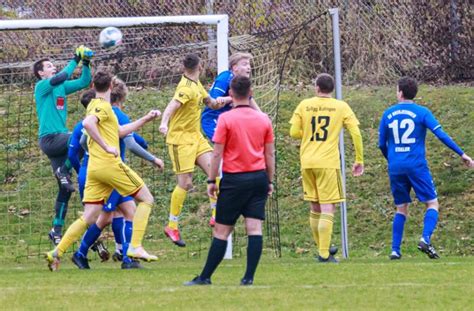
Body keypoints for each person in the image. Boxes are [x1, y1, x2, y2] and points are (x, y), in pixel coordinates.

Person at [45, 71, 161, 271]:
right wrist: (107, 147)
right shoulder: (105, 107)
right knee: (146, 199)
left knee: (89, 216)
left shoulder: (92, 105)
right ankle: (135, 247)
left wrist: (146, 118)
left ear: (93, 86)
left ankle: (57, 252)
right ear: (110, 88)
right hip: (109, 165)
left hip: (93, 170)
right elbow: (90, 125)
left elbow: (119, 132)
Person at [185, 76, 275, 286]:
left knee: (221, 230)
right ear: (250, 92)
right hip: (258, 178)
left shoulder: (226, 119)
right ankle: (248, 278)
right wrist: (269, 181)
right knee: (254, 228)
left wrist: (211, 180)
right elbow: (269, 155)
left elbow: (217, 154)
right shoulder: (263, 119)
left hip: (234, 180)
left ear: (231, 94)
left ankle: (205, 277)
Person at [378, 77, 473, 260]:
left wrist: (391, 159)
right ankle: (425, 238)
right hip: (416, 165)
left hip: (396, 166)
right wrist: (462, 154)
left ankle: (395, 250)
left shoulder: (387, 113)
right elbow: (440, 134)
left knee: (401, 208)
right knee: (432, 203)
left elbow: (382, 143)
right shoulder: (422, 112)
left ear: (400, 92)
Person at [289, 73, 364, 263]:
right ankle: (324, 254)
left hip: (307, 162)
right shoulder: (341, 106)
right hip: (328, 163)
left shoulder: (304, 105)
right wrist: (359, 158)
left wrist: (307, 135)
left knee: (315, 207)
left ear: (316, 87)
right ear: (332, 89)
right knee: (328, 208)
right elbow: (355, 131)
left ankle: (323, 248)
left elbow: (293, 132)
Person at [159, 53, 227, 247]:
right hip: (180, 141)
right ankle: (172, 225)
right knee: (185, 183)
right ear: (201, 66)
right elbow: (172, 106)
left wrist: (231, 99)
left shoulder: (196, 85)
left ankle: (215, 215)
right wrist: (164, 123)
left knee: (217, 172)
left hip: (195, 138)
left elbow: (212, 103)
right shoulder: (185, 88)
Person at [33, 46, 93, 245]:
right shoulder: (42, 86)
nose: (53, 67)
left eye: (53, 65)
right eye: (48, 66)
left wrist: (85, 63)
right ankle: (63, 170)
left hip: (61, 141)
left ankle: (56, 229)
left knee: (65, 190)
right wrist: (75, 58)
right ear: (41, 73)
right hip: (50, 139)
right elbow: (59, 77)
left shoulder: (61, 87)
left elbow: (84, 81)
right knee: (82, 134)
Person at [201, 52, 261, 226]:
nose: (248, 67)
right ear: (234, 67)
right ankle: (217, 210)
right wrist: (227, 98)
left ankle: (228, 199)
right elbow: (214, 101)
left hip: (228, 122)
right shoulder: (224, 78)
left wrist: (262, 117)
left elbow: (249, 100)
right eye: (244, 63)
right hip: (212, 121)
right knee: (223, 156)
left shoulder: (243, 84)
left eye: (249, 64)